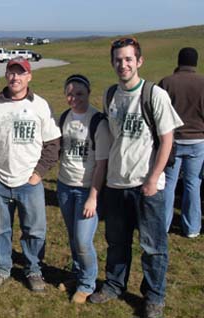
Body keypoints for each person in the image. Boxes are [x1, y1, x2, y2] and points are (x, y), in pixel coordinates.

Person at [89, 38, 183, 318]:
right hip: (116, 184)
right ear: (112, 63)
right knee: (117, 242)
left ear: (139, 61)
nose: (123, 64)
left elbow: (167, 139)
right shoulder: (110, 95)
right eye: (118, 59)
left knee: (153, 247)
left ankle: (154, 296)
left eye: (129, 59)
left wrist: (154, 178)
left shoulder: (154, 94)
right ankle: (114, 285)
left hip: (146, 186)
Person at [0, 57, 61, 292]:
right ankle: (1, 268)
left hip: (29, 182)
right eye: (11, 73)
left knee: (34, 230)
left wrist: (38, 174)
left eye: (20, 73)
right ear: (6, 76)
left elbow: (53, 144)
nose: (15, 77)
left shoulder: (40, 105)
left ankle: (33, 269)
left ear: (29, 77)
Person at [57, 74, 111, 304]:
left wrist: (93, 197)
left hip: (87, 189)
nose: (74, 98)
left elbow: (102, 164)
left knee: (82, 239)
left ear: (88, 93)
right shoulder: (64, 117)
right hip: (64, 186)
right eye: (70, 93)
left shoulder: (98, 121)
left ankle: (88, 283)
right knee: (72, 236)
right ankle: (78, 275)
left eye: (79, 93)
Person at [158, 47, 204, 238]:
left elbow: (158, 112)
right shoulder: (203, 82)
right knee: (193, 183)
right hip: (199, 140)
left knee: (168, 183)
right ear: (195, 62)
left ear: (179, 61)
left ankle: (164, 225)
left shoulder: (167, 83)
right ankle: (192, 227)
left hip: (172, 141)